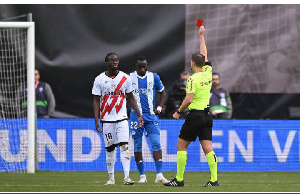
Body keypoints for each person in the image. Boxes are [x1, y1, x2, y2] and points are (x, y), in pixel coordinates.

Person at [164, 26, 219, 187]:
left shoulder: (192, 79)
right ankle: (214, 180)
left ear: (193, 63)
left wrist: (178, 111)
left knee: (181, 146)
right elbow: (205, 55)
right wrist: (201, 36)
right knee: (208, 147)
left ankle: (179, 180)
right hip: (207, 116)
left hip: (195, 115)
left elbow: (188, 99)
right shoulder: (208, 73)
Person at [92, 52, 144, 185]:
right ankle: (111, 179)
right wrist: (96, 119)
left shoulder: (125, 78)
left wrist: (139, 114)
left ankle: (127, 177)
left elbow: (130, 97)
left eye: (116, 60)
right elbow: (96, 100)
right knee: (110, 149)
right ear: (106, 63)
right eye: (112, 60)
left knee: (125, 147)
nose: (115, 62)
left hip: (122, 119)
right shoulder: (99, 79)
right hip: (107, 120)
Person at [129, 56, 168, 184]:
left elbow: (162, 92)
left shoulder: (153, 77)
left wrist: (160, 107)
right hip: (136, 116)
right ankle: (142, 176)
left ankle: (159, 175)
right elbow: (126, 95)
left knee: (156, 143)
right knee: (137, 145)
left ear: (147, 66)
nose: (142, 69)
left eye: (144, 66)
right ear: (136, 67)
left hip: (151, 116)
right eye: (140, 67)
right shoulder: (130, 78)